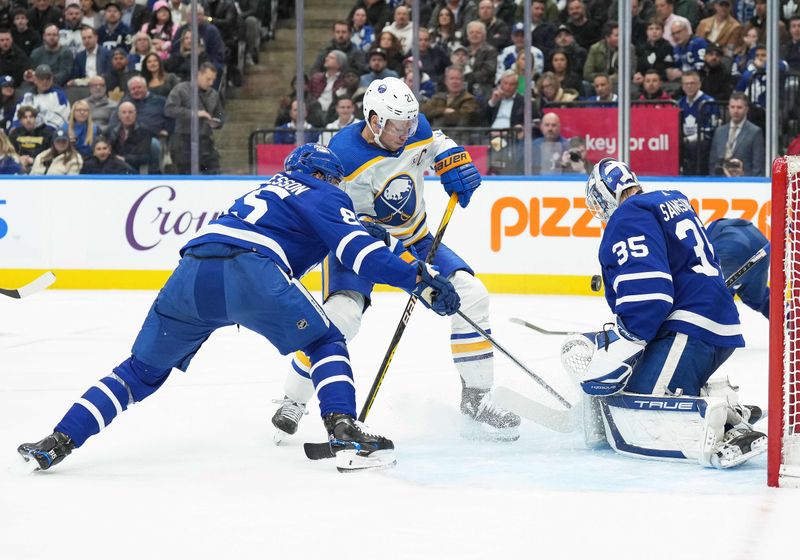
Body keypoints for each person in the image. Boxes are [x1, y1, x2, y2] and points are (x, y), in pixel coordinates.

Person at [18, 143, 461, 473]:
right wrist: (422, 281)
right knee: (326, 340)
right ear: (327, 176)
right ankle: (345, 432)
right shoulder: (324, 193)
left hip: (191, 273)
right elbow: (358, 252)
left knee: (139, 372)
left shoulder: (266, 189)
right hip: (252, 272)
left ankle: (58, 439)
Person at [269, 78, 520, 443]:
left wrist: (452, 157)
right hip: (356, 244)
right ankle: (293, 399)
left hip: (417, 238)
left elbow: (436, 142)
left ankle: (476, 400)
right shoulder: (345, 156)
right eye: (398, 127)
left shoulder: (415, 128)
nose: (406, 133)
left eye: (409, 125)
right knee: (340, 317)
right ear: (374, 120)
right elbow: (351, 224)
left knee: (474, 295)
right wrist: (402, 261)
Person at [566, 157, 766, 469]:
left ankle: (726, 428)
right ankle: (722, 404)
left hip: (689, 329)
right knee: (650, 388)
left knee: (636, 413)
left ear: (605, 195)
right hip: (712, 324)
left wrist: (624, 342)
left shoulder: (627, 216)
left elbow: (650, 295)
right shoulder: (668, 202)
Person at [164, 61, 223, 174]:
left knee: (214, 171)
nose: (211, 83)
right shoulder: (181, 89)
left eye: (213, 80)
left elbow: (220, 114)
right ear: (199, 75)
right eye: (208, 79)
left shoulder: (214, 94)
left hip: (205, 141)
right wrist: (194, 113)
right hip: (183, 139)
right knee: (185, 173)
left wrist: (217, 122)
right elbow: (169, 109)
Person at [706, 218, 769, 318]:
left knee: (718, 299)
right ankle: (793, 322)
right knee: (758, 299)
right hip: (761, 242)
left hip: (731, 247)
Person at [708, 92, 764, 177]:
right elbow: (712, 162)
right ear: (728, 108)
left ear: (746, 109)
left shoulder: (755, 132)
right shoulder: (719, 131)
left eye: (739, 107)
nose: (735, 111)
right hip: (720, 183)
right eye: (732, 107)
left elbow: (757, 166)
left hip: (744, 183)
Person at [8, 104, 52, 169]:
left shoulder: (46, 134)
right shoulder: (14, 134)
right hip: (18, 166)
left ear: (35, 118)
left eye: (31, 117)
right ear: (20, 120)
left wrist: (34, 160)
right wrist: (18, 159)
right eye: (25, 117)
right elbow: (9, 152)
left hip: (40, 166)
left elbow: (50, 154)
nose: (28, 120)